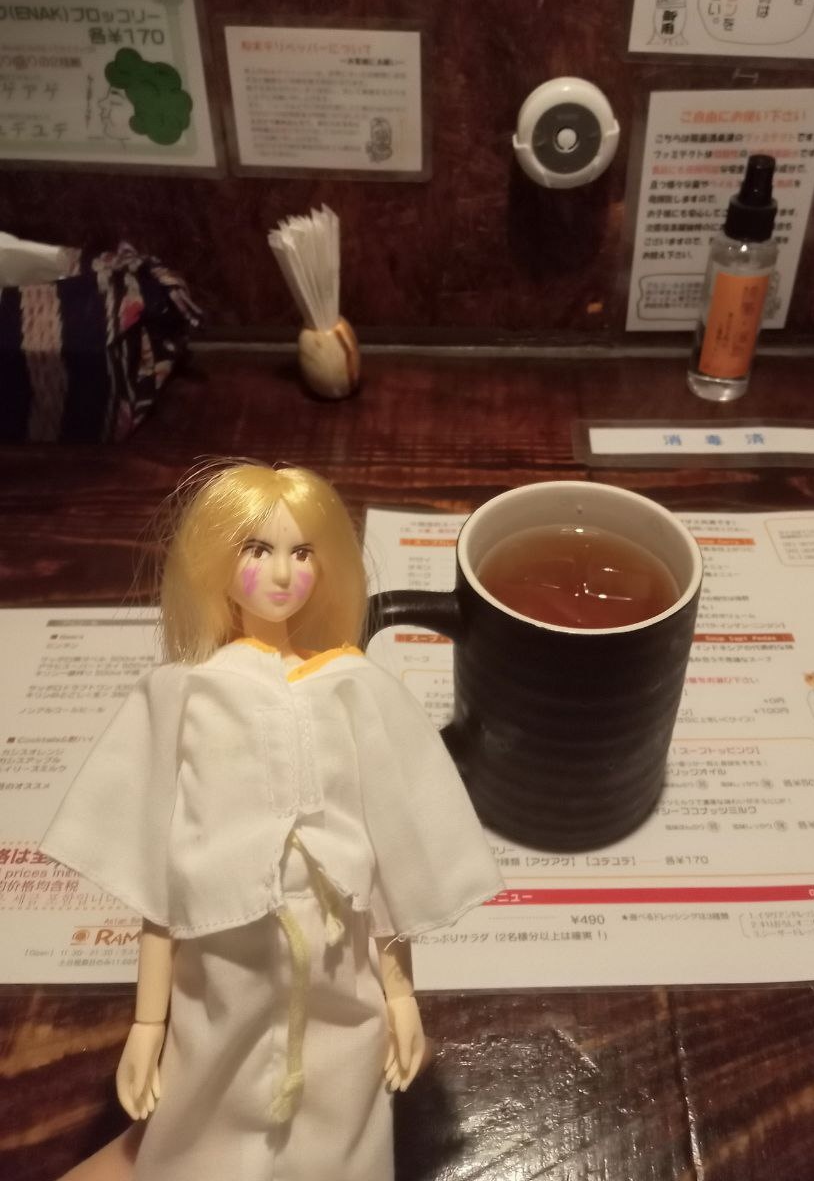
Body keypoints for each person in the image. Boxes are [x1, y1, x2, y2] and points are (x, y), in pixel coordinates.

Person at [44, 463, 501, 1181]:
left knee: (341, 1104)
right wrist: (148, 1022)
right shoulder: (187, 693)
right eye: (258, 551)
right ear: (216, 563)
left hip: (339, 956)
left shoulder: (353, 686)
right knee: (204, 1112)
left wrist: (401, 994)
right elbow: (159, 883)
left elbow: (389, 864)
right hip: (223, 959)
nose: (284, 573)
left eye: (303, 552)